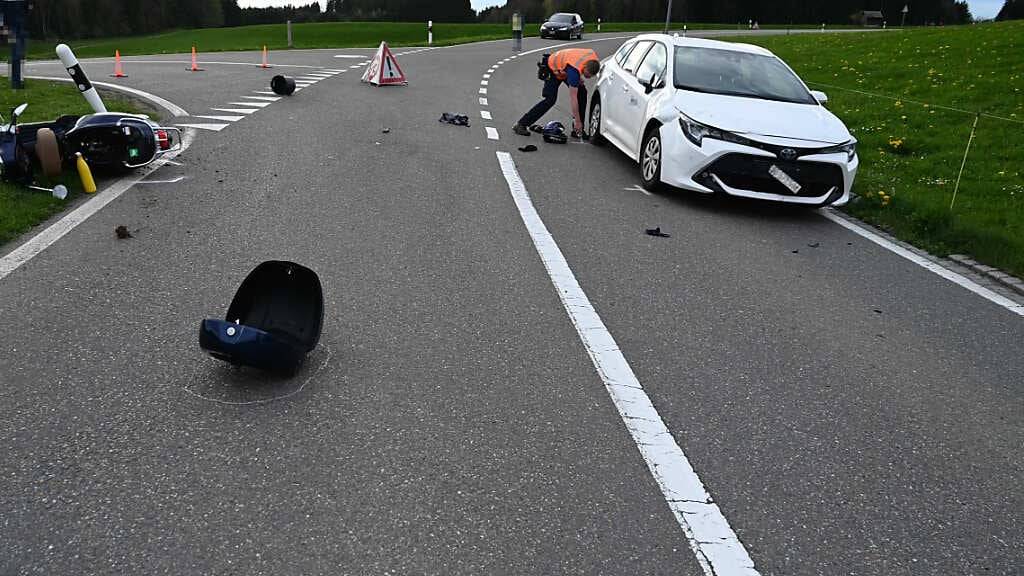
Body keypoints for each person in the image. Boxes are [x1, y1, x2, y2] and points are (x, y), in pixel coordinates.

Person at [512, 47, 601, 139]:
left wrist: (580, 75)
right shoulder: (574, 72)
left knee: (582, 92)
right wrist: (578, 121)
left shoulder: (593, 58)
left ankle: (577, 130)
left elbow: (576, 64)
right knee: (550, 100)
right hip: (553, 68)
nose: (588, 77)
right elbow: (573, 98)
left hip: (565, 68)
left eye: (590, 76)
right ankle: (521, 124)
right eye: (586, 74)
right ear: (585, 66)